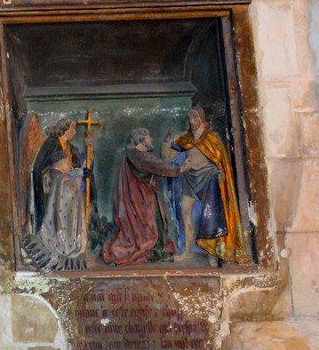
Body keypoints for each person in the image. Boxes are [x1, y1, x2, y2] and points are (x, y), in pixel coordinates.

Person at [165, 106, 246, 265]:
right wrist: (167, 139)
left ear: (202, 118)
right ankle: (188, 251)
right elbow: (167, 156)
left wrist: (221, 171)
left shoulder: (211, 137)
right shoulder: (185, 139)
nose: (192, 121)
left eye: (195, 117)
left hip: (208, 176)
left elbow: (221, 159)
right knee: (185, 212)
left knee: (211, 215)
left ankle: (214, 252)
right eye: (189, 118)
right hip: (190, 176)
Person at [103, 127, 182, 266]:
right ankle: (153, 250)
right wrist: (179, 169)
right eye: (148, 137)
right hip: (140, 198)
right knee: (150, 223)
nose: (151, 140)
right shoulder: (137, 155)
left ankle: (158, 250)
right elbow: (156, 165)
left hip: (144, 195)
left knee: (155, 222)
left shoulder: (135, 154)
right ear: (141, 140)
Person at [24, 117, 91, 271]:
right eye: (72, 128)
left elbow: (74, 166)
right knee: (56, 219)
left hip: (67, 190)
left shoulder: (71, 147)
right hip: (52, 189)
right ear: (64, 129)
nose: (74, 132)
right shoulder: (52, 143)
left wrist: (80, 169)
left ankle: (69, 243)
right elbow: (42, 167)